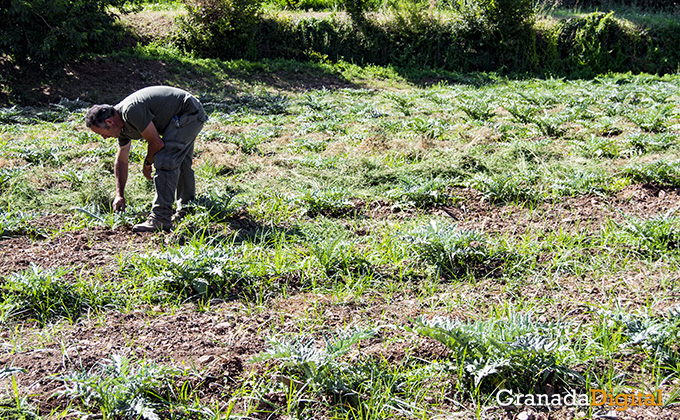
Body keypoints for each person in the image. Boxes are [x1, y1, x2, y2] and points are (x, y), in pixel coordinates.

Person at [85, 86, 207, 232]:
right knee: (180, 163)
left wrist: (147, 163)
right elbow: (122, 160)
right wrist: (119, 195)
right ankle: (187, 210)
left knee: (165, 160)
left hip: (188, 112)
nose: (104, 138)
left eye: (101, 133)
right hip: (179, 116)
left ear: (110, 122)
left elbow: (157, 143)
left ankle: (160, 218)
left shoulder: (131, 111)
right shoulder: (121, 127)